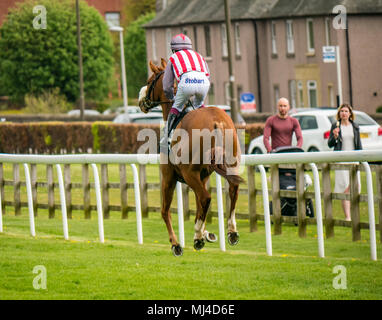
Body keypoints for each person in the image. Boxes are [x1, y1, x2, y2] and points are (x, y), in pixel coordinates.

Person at [160, 33, 210, 151]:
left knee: (176, 107)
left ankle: (166, 137)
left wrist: (172, 97)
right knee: (199, 106)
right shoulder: (199, 56)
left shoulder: (173, 58)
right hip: (204, 82)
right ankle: (207, 130)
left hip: (186, 81)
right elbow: (208, 77)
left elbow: (167, 86)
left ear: (173, 49)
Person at [328, 103, 362, 221]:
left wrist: (361, 159)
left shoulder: (355, 127)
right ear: (339, 113)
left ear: (350, 114)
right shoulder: (335, 126)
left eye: (346, 111)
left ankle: (354, 214)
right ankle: (348, 216)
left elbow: (359, 144)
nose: (344, 113)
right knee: (345, 188)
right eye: (342, 111)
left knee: (354, 187)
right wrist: (335, 136)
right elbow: (330, 144)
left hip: (354, 159)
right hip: (342, 160)